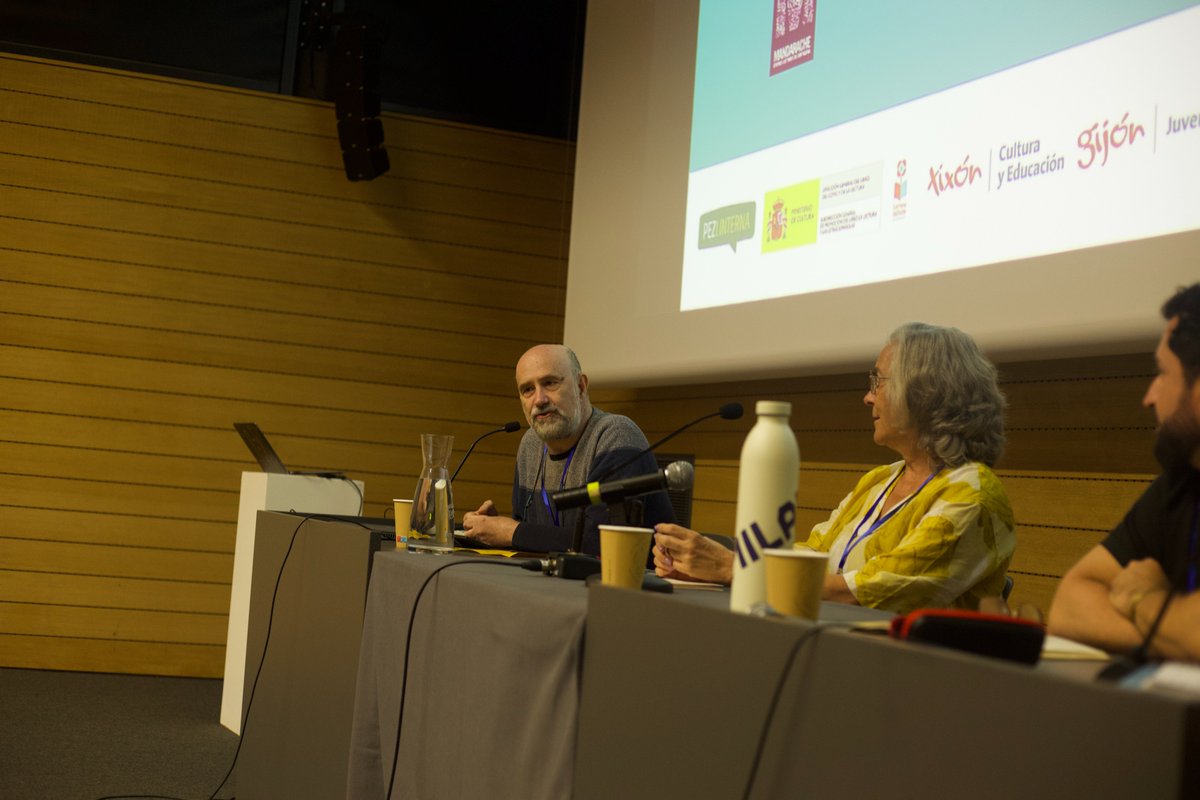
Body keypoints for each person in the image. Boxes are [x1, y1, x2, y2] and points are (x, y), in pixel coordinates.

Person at [653, 322, 1015, 614]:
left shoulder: (974, 495)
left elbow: (874, 591)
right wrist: (707, 564)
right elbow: (814, 556)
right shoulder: (881, 480)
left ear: (924, 391)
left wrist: (735, 568)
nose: (868, 397)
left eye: (877, 382)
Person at [1047, 284, 1200, 661]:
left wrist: (1143, 599)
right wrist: (1175, 635)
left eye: (1162, 373)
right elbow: (1068, 606)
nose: (1149, 397)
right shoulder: (1181, 485)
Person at [462, 343, 675, 554]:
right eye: (528, 389)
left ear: (580, 386)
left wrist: (512, 531)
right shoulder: (530, 444)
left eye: (550, 383)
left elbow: (601, 544)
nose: (539, 400)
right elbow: (530, 534)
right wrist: (496, 528)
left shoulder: (616, 436)